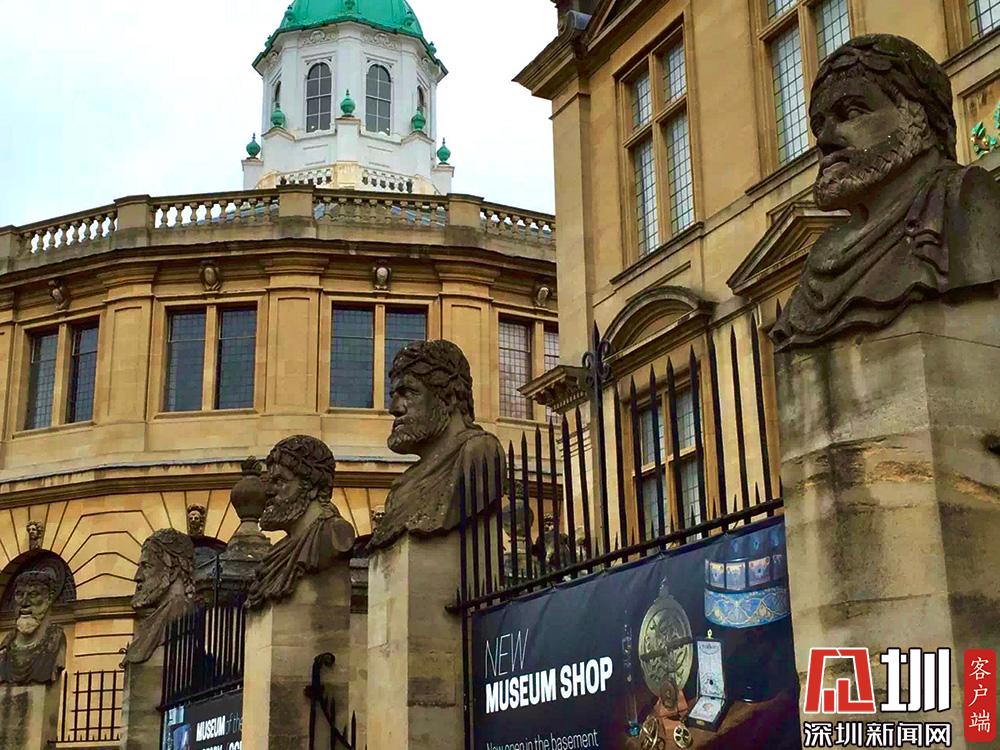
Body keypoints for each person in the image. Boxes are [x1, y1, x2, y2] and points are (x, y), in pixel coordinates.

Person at [772, 34, 1000, 349]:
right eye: (818, 126)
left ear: (919, 119)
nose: (825, 140)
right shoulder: (820, 260)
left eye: (852, 113)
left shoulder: (967, 202)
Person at [370, 340, 505, 550]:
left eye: (408, 393)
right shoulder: (403, 486)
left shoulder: (478, 453)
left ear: (449, 398)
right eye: (393, 396)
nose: (394, 409)